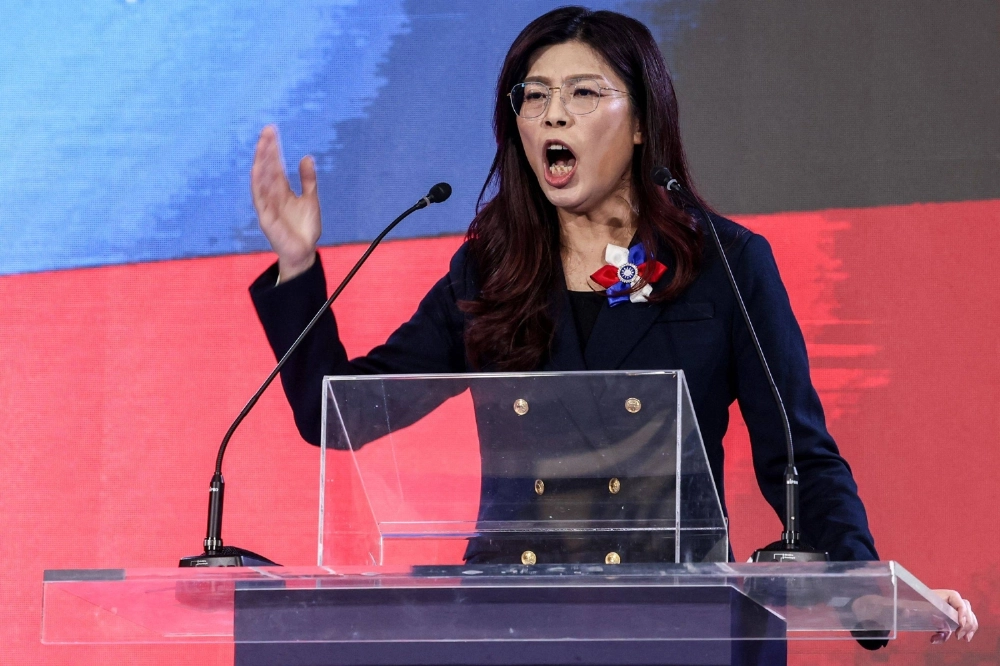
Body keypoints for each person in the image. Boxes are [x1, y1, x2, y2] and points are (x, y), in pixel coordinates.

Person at [248, 6, 976, 645]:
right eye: (534, 97)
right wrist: (296, 265)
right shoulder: (489, 272)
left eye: (583, 93)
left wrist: (866, 582)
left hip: (674, 618)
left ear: (639, 125)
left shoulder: (725, 263)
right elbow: (334, 414)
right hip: (504, 619)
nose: (554, 115)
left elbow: (799, 459)